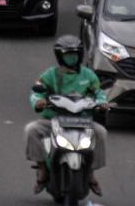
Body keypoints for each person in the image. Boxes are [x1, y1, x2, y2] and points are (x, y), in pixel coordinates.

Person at [24, 35, 108, 196]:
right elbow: (36, 92)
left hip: (83, 122)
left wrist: (102, 103)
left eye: (74, 54)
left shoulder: (89, 75)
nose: (71, 58)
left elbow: (99, 93)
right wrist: (38, 101)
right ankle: (42, 170)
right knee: (31, 130)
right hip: (53, 120)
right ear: (60, 56)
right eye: (68, 55)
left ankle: (90, 173)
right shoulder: (50, 75)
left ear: (80, 55)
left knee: (101, 133)